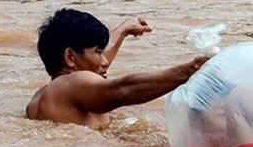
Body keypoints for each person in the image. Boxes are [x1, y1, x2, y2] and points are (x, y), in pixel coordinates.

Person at [26, 8, 208, 129]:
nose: (105, 62)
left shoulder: (47, 94)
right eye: (98, 52)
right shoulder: (72, 84)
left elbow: (95, 69)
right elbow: (122, 89)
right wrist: (190, 70)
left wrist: (125, 29)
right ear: (70, 58)